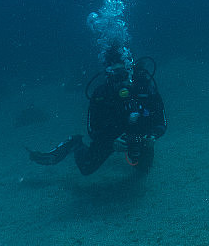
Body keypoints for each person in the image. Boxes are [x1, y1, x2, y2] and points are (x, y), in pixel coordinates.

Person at [27, 54, 167, 175]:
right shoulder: (101, 94)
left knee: (144, 169)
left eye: (124, 74)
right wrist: (110, 142)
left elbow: (161, 121)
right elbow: (92, 129)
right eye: (115, 75)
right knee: (86, 168)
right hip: (110, 137)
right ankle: (75, 143)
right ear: (108, 75)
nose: (121, 81)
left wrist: (152, 136)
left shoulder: (146, 88)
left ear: (131, 72)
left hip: (140, 135)